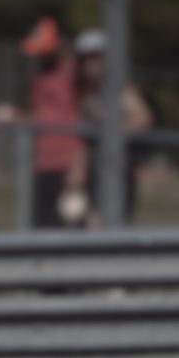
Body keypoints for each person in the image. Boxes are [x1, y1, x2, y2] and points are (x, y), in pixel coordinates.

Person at [1, 15, 83, 229]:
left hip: (68, 163)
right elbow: (38, 114)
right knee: (42, 225)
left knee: (72, 224)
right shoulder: (38, 78)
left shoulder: (74, 75)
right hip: (42, 163)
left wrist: (79, 165)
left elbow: (82, 120)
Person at [70, 26, 151, 228]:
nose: (91, 64)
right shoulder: (88, 91)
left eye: (96, 57)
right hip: (95, 168)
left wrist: (112, 126)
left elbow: (143, 119)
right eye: (86, 59)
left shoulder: (120, 88)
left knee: (109, 224)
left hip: (116, 169)